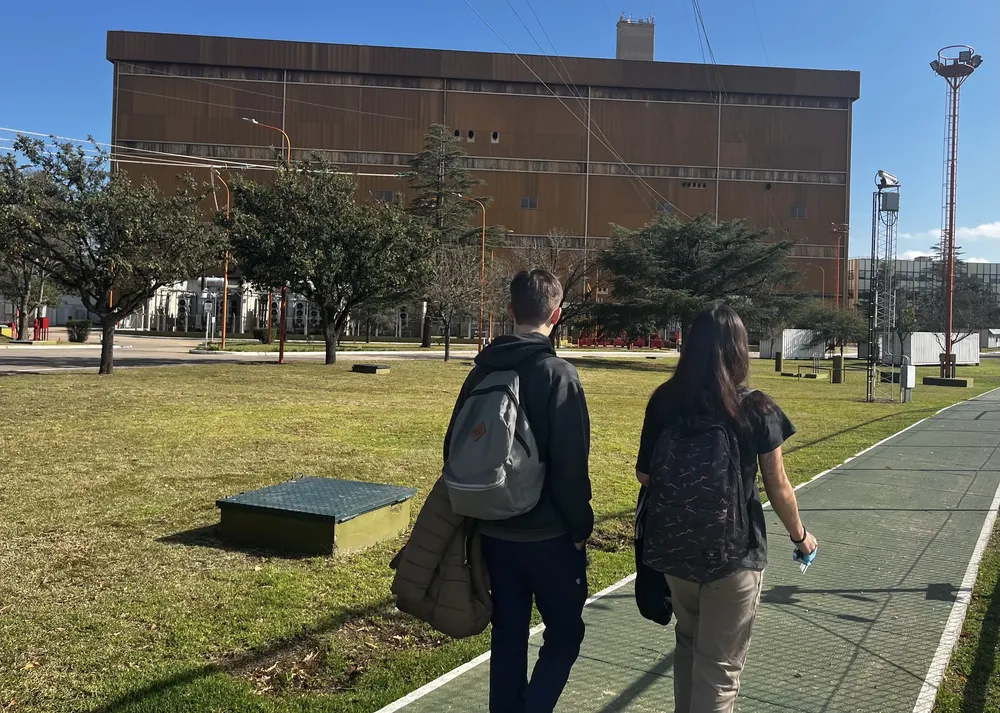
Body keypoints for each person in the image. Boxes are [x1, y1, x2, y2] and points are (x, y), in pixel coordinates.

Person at [635, 304, 817, 713]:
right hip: (734, 555)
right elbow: (778, 485)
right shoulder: (756, 407)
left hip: (674, 553)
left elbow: (645, 475)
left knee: (688, 643)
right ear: (738, 349)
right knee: (719, 670)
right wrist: (801, 537)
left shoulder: (664, 401)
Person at [443, 268, 593, 713]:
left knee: (508, 635)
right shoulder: (558, 374)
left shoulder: (481, 372)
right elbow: (570, 465)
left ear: (510, 310)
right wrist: (580, 527)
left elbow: (453, 447)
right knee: (565, 633)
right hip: (549, 536)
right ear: (557, 314)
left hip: (492, 531)